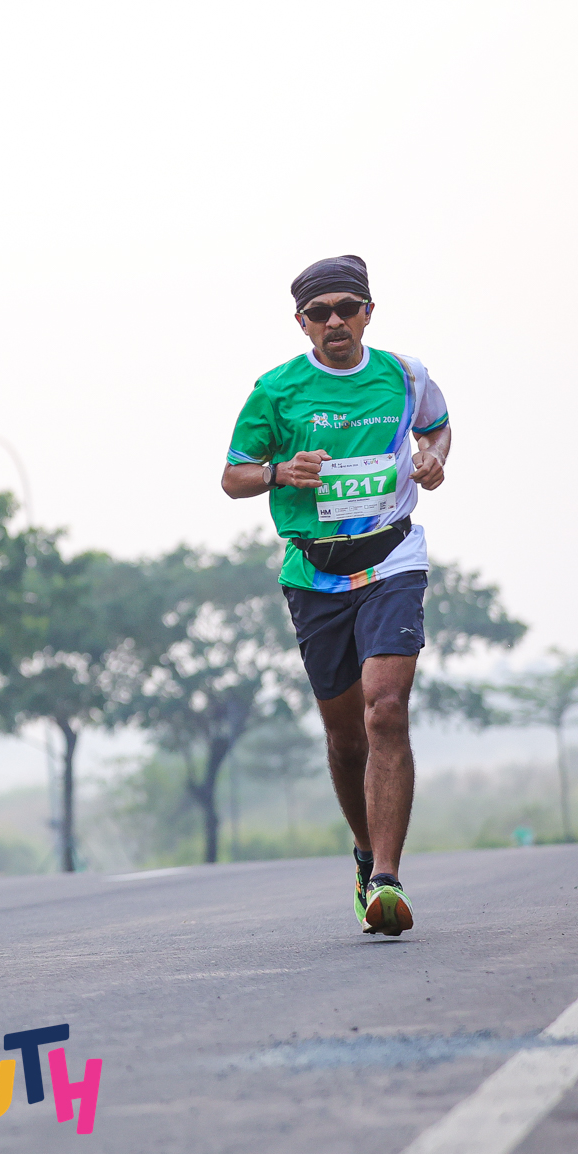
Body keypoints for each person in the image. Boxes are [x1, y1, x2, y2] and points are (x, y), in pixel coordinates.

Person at [220, 255, 452, 936]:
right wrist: (278, 472)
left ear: (368, 313)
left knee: (386, 710)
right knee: (347, 739)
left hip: (391, 559)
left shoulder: (405, 374)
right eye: (319, 313)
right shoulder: (276, 390)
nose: (335, 322)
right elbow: (232, 477)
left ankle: (387, 880)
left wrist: (435, 456)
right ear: (302, 323)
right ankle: (363, 852)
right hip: (315, 574)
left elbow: (436, 424)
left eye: (347, 308)